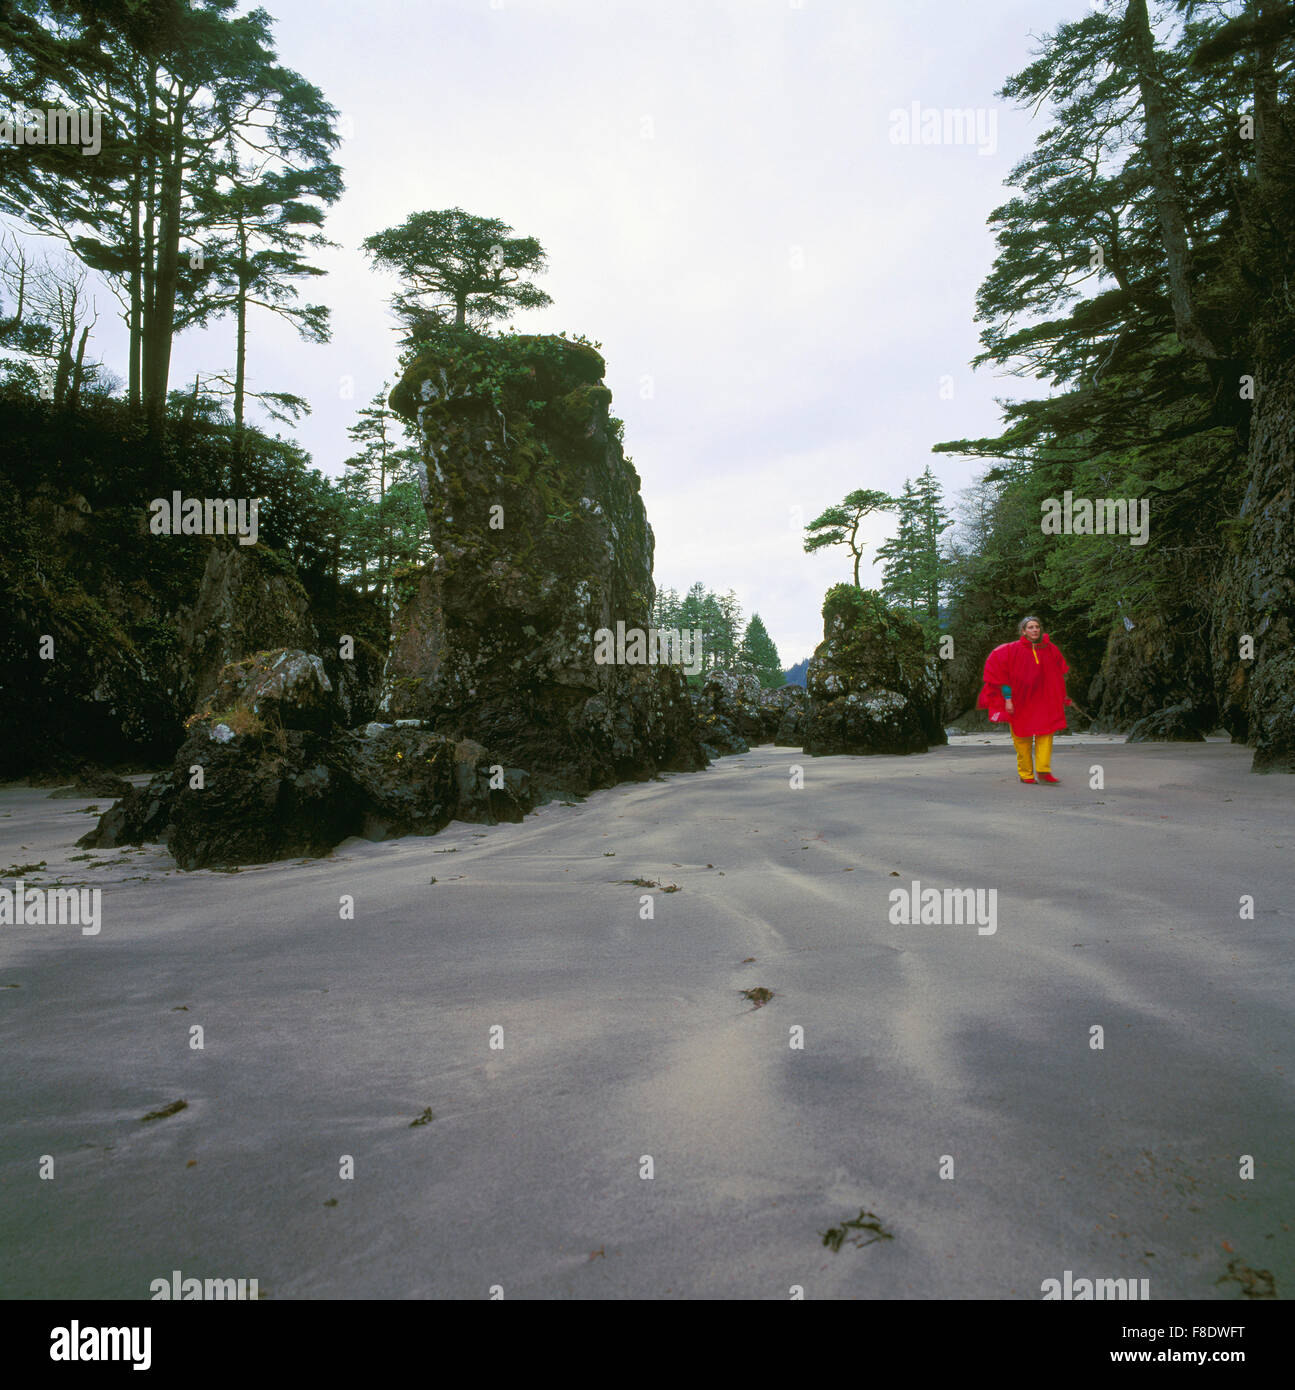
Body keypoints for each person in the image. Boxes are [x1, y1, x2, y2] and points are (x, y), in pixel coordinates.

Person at [977, 617, 1072, 784]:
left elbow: (1058, 675)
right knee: (1022, 737)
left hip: (1044, 700)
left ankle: (1043, 770)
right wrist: (1008, 699)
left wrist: (1061, 695)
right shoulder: (1010, 650)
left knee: (1046, 732)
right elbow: (1003, 678)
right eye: (1030, 627)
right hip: (1019, 700)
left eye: (1037, 627)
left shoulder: (1050, 649)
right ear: (1023, 631)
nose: (1035, 630)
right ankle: (1026, 774)